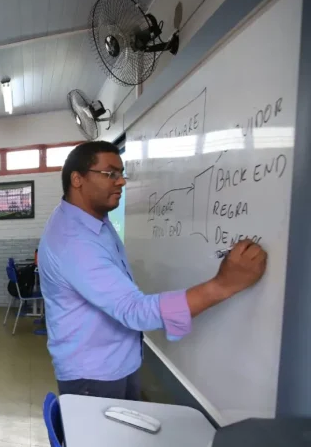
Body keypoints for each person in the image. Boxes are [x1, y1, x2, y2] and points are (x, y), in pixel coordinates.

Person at [39, 141, 267, 400]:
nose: (121, 182)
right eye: (110, 174)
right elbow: (135, 311)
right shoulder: (74, 240)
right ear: (77, 179)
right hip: (94, 376)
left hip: (115, 363)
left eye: (121, 174)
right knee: (111, 442)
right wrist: (223, 285)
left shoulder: (95, 221)